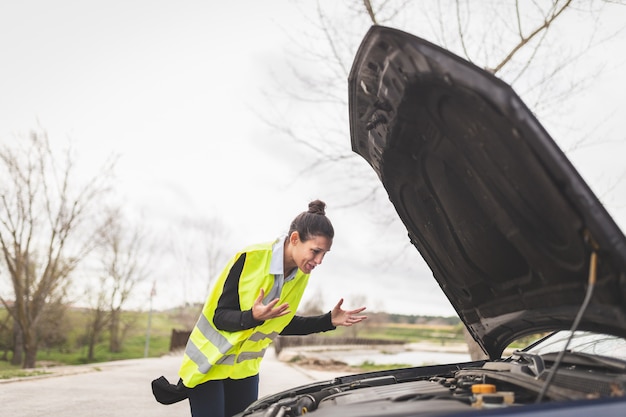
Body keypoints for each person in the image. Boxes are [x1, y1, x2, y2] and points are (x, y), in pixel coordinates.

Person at [178, 199, 367, 417]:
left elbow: (280, 324)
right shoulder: (250, 258)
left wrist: (328, 321)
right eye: (315, 251)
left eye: (324, 254)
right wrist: (253, 317)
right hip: (209, 364)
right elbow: (220, 317)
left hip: (244, 371)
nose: (319, 261)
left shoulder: (300, 275)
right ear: (295, 239)